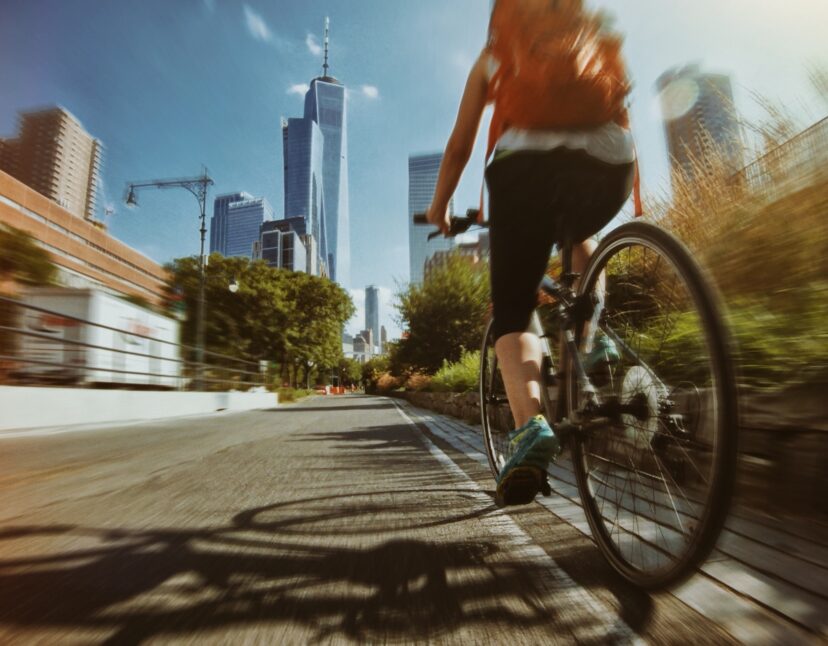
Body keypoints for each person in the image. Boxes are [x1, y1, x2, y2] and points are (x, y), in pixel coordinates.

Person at [426, 0, 637, 506]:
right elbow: (620, 104)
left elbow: (459, 147)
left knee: (514, 309)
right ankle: (592, 336)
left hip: (525, 169)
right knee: (578, 232)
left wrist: (439, 207)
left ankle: (531, 430)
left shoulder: (495, 52)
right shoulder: (592, 31)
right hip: (610, 162)